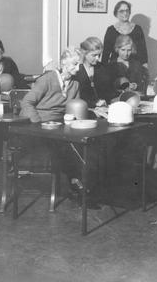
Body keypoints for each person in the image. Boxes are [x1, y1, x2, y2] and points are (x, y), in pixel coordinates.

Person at [20, 47, 101, 208]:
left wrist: (92, 112)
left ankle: (79, 184)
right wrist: (38, 124)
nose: (78, 69)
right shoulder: (48, 79)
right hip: (37, 125)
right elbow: (27, 103)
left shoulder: (75, 84)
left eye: (79, 65)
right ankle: (77, 184)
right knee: (66, 147)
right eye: (74, 64)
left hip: (60, 127)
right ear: (63, 63)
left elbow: (74, 108)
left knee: (84, 143)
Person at [101, 1, 148, 67]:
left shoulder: (137, 29)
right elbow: (105, 54)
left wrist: (144, 72)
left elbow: (143, 54)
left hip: (134, 68)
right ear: (116, 13)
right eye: (121, 11)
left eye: (127, 10)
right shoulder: (110, 30)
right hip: (115, 67)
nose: (125, 13)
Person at [75, 37, 117, 108]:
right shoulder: (77, 70)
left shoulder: (102, 68)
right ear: (85, 53)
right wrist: (94, 103)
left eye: (99, 55)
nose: (97, 58)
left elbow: (109, 91)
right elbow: (76, 97)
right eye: (94, 55)